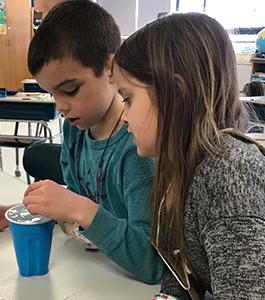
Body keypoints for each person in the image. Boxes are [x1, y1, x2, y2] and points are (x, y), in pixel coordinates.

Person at [0, 0, 163, 284]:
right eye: (52, 94)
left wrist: (79, 209)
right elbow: (77, 211)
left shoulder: (139, 147)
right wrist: (27, 212)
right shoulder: (76, 128)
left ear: (110, 68)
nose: (61, 106)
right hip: (88, 273)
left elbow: (152, 264)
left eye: (71, 90)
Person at [113, 12, 265, 299]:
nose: (123, 117)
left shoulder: (229, 173)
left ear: (175, 92)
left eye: (128, 99)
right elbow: (182, 271)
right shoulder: (177, 165)